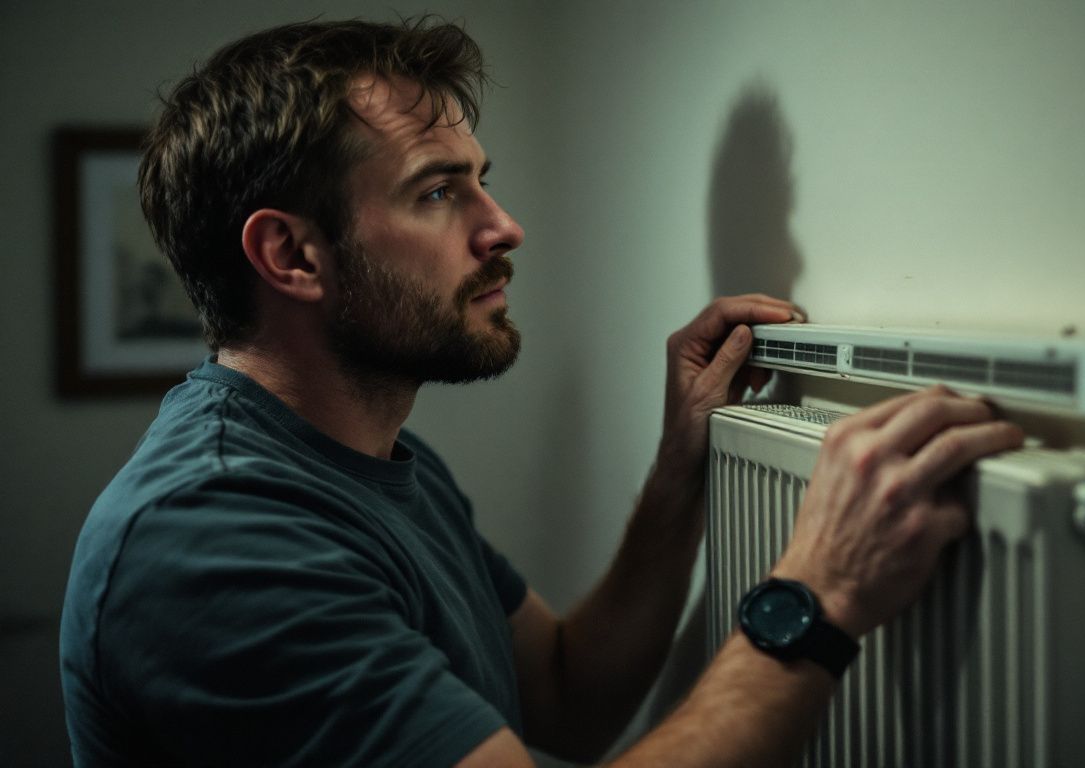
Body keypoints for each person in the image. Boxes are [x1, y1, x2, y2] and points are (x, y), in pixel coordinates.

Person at [59, 17, 1024, 768]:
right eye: (439, 192)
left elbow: (569, 690)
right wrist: (824, 593)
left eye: (483, 182)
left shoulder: (375, 458)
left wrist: (680, 471)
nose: (504, 226)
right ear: (291, 255)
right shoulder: (216, 538)